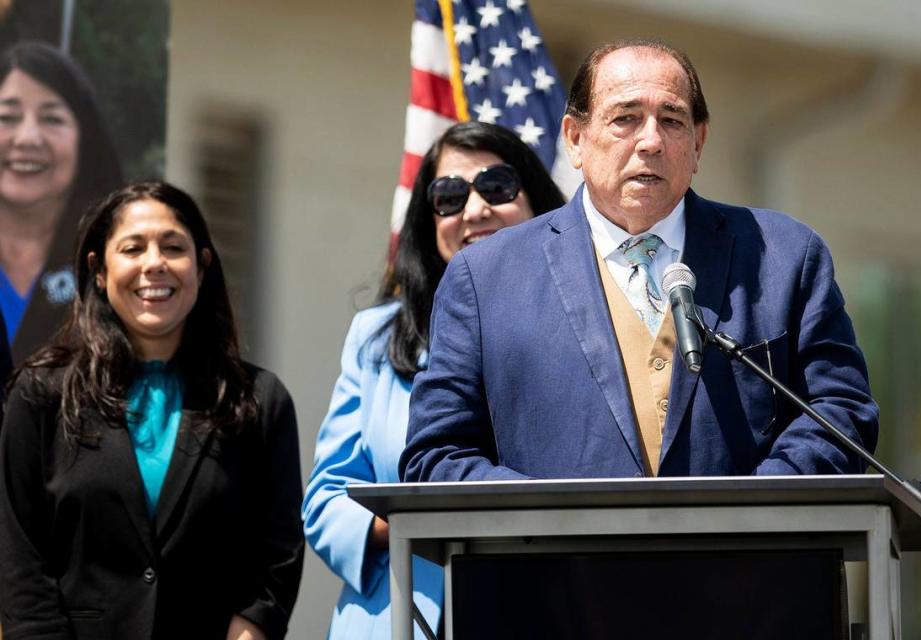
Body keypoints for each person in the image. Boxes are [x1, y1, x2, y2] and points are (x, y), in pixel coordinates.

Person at [401, 40, 879, 482]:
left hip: (748, 567)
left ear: (699, 144)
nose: (650, 141)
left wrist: (748, 514)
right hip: (555, 569)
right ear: (575, 139)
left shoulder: (785, 256)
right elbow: (438, 455)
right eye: (625, 118)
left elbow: (840, 413)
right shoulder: (485, 278)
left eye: (671, 121)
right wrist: (548, 520)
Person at [0, 182, 304, 639]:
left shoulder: (259, 400)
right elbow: (19, 553)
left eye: (173, 247)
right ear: (99, 270)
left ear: (201, 267)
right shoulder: (41, 395)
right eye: (133, 248)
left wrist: (253, 624)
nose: (154, 263)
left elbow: (278, 548)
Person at [302, 121, 566, 639]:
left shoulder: (589, 327)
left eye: (496, 186)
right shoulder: (375, 335)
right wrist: (415, 523)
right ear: (429, 219)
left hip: (545, 603)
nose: (474, 210)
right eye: (448, 196)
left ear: (539, 201)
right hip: (403, 612)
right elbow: (327, 499)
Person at [0, 42, 122, 374]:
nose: (27, 138)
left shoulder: (116, 266)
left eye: (51, 118)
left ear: (85, 138)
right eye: (7, 117)